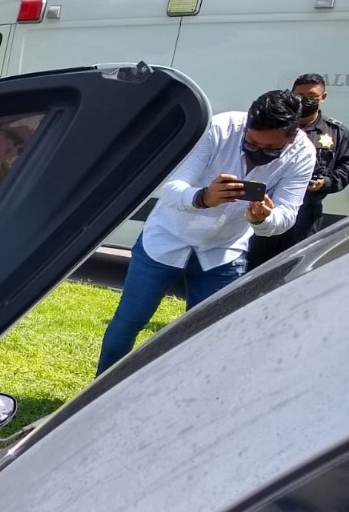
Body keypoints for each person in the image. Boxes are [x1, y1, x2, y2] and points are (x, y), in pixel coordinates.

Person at [95, 89, 315, 376]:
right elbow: (171, 187)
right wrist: (203, 198)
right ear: (247, 123)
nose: (258, 152)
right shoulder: (220, 128)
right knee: (129, 320)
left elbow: (287, 215)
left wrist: (263, 219)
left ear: (293, 134)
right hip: (167, 237)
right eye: (251, 142)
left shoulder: (303, 153)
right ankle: (98, 391)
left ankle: (187, 398)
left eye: (271, 150)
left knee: (207, 335)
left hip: (224, 250)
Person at [248, 73, 349, 269]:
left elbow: (346, 167)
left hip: (306, 215)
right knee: (254, 267)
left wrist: (326, 183)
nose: (305, 100)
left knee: (294, 268)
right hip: (267, 208)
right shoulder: (276, 126)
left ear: (323, 97)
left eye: (311, 96)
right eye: (299, 95)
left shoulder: (335, 132)